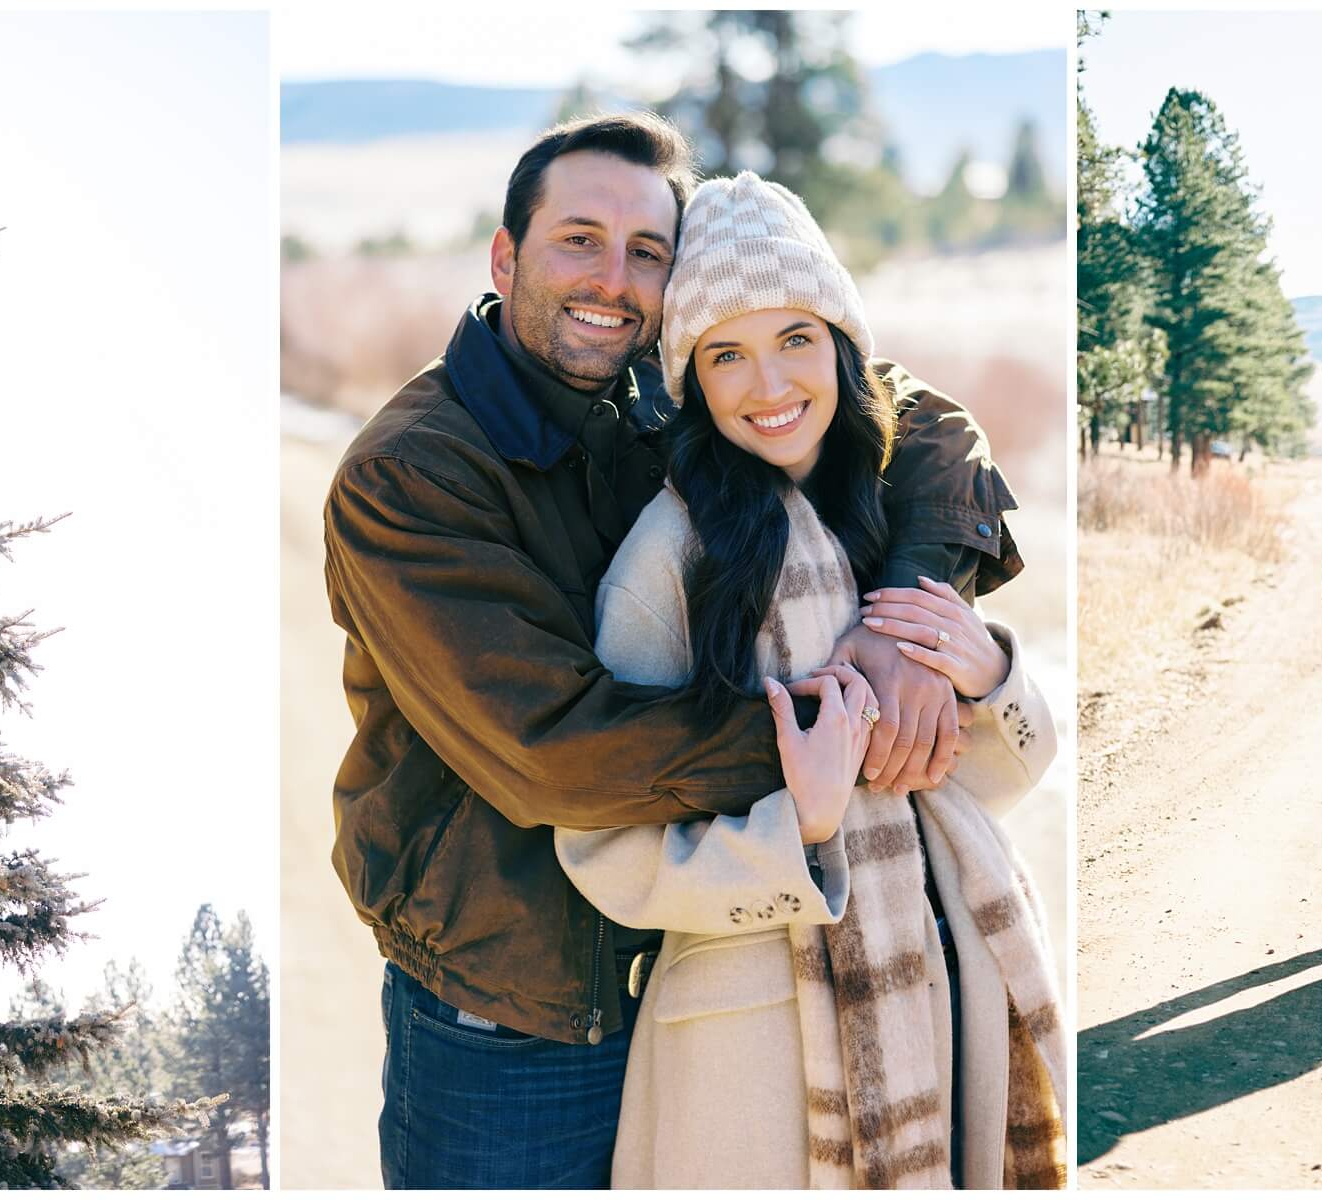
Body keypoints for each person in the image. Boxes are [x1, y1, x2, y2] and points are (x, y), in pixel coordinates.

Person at [320, 112, 1021, 1189]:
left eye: (647, 252)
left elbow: (921, 422)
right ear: (505, 257)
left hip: (703, 968)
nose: (614, 277)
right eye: (578, 240)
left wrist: (904, 632)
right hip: (515, 1016)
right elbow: (556, 752)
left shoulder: (667, 392)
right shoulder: (413, 474)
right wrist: (830, 739)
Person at [552, 172, 1066, 1189]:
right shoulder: (668, 560)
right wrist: (804, 829)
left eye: (796, 339)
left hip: (941, 986)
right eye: (726, 354)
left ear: (842, 345)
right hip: (751, 1052)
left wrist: (990, 669)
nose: (769, 383)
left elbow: (978, 788)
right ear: (691, 380)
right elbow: (605, 851)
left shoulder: (888, 521)